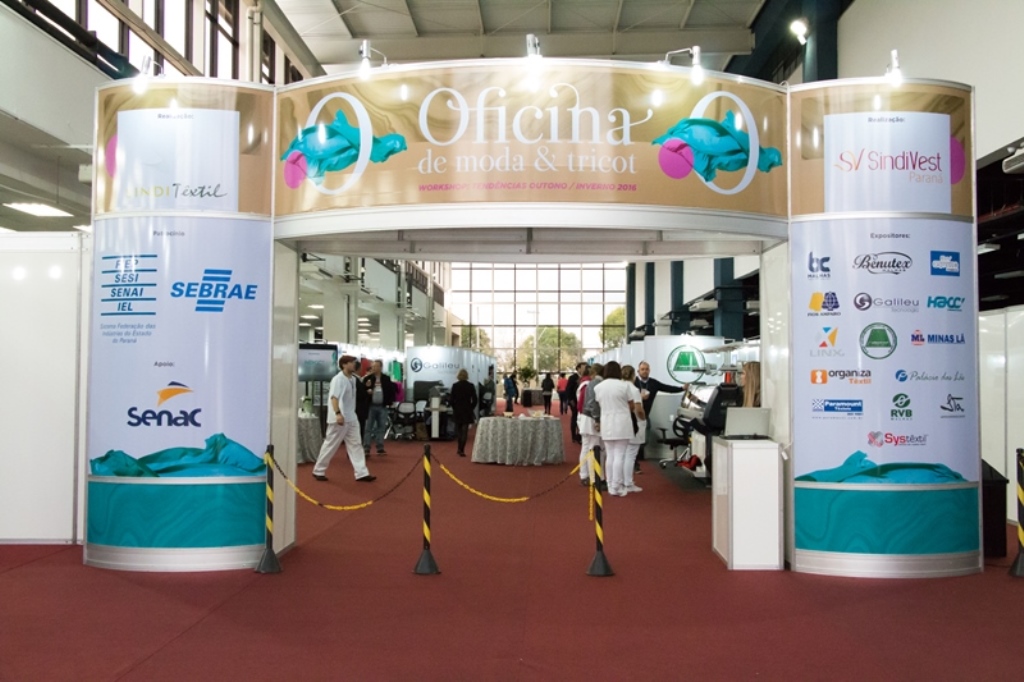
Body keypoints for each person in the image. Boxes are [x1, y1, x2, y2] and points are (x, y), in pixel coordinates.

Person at [312, 355, 376, 483]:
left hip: (351, 417)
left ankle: (361, 473)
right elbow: (334, 398)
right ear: (344, 365)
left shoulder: (352, 379)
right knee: (331, 444)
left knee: (356, 444)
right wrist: (338, 413)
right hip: (339, 418)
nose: (354, 365)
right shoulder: (338, 379)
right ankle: (318, 470)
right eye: (352, 363)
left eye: (354, 362)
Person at [592, 361, 637, 497]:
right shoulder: (624, 386)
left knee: (610, 455)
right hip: (622, 423)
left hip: (606, 422)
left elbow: (598, 404)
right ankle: (617, 486)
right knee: (619, 455)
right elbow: (632, 405)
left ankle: (611, 484)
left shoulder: (598, 387)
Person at [634, 360, 685, 471]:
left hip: (645, 416)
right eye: (642, 369)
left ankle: (636, 459)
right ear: (638, 371)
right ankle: (635, 463)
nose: (645, 371)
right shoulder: (633, 383)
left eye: (646, 369)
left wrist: (681, 388)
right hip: (633, 416)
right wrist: (639, 397)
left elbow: (667, 388)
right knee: (634, 441)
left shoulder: (653, 383)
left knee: (644, 439)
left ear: (649, 370)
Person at [620, 365, 647, 493]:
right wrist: (644, 418)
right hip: (635, 423)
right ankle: (628, 483)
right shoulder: (634, 389)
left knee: (622, 454)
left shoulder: (620, 387)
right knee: (631, 454)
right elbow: (638, 409)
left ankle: (620, 480)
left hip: (623, 423)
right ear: (633, 376)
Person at [362, 359, 396, 455]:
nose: (374, 368)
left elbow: (391, 391)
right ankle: (366, 447)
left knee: (381, 427)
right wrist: (367, 391)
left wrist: (390, 402)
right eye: (373, 366)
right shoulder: (367, 379)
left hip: (382, 406)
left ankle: (380, 447)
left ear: (381, 367)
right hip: (370, 406)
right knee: (368, 427)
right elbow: (362, 391)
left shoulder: (386, 379)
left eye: (376, 366)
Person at [450, 368, 478, 457]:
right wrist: (471, 408)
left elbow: (451, 400)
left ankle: (459, 448)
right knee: (465, 431)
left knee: (458, 430)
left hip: (458, 409)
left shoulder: (455, 386)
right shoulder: (470, 386)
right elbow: (475, 400)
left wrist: (454, 408)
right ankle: (462, 449)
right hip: (467, 409)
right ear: (467, 376)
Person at [565, 363, 585, 444]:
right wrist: (571, 400)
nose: (585, 369)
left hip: (583, 402)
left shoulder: (586, 377)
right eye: (583, 367)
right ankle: (574, 435)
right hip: (574, 401)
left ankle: (580, 435)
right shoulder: (573, 378)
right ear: (578, 369)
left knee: (581, 419)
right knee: (575, 417)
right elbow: (568, 390)